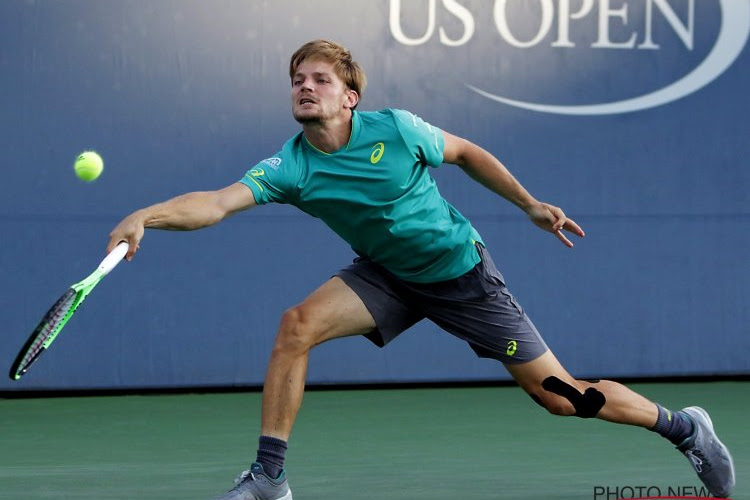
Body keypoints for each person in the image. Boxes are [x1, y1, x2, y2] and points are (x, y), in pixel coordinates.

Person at [107, 40, 735, 500]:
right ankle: (269, 477)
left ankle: (683, 427)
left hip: (462, 277)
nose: (305, 86)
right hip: (386, 276)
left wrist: (531, 206)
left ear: (350, 96)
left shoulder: (398, 130)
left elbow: (464, 152)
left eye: (321, 79)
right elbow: (215, 204)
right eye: (298, 78)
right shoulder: (291, 166)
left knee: (563, 398)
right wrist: (146, 215)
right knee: (296, 326)